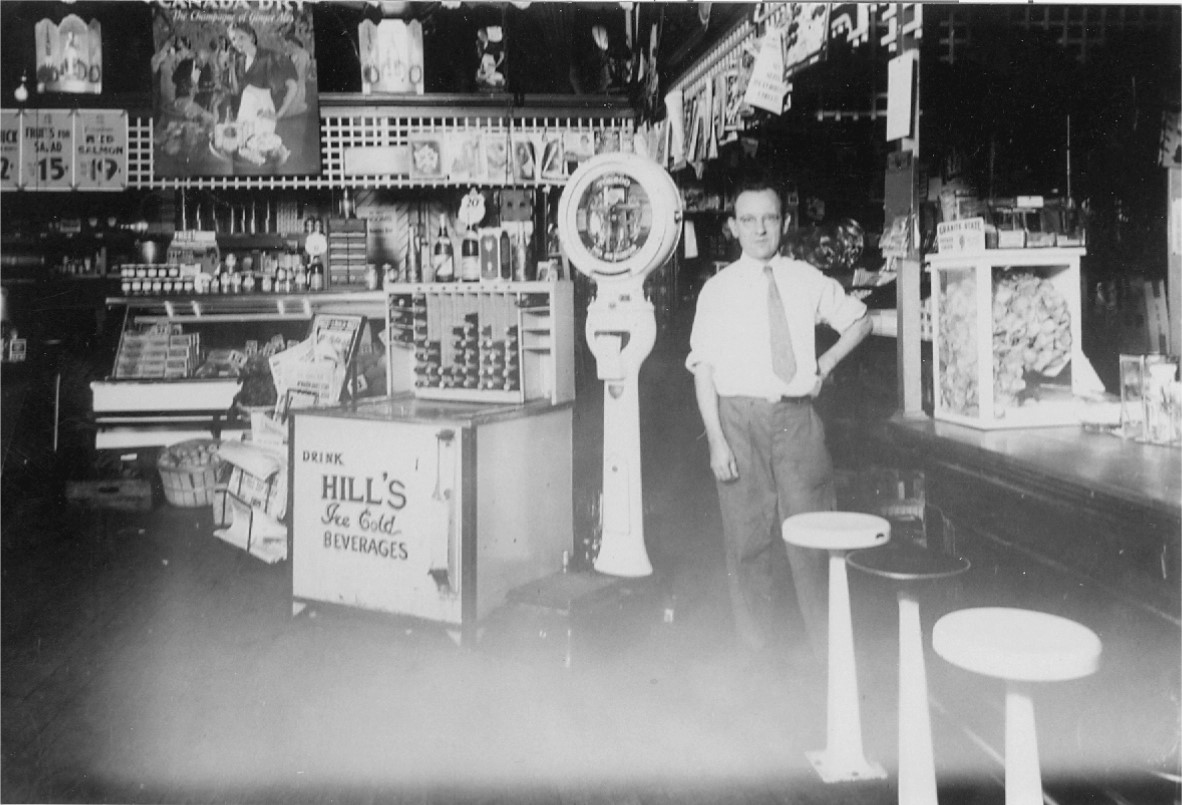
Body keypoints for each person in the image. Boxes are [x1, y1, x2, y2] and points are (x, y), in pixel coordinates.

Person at [685, 174, 872, 665]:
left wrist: (825, 365)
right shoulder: (718, 290)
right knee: (747, 542)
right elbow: (704, 370)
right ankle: (756, 658)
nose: (759, 229)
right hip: (738, 422)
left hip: (796, 421)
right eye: (748, 220)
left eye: (769, 218)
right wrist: (716, 441)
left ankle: (831, 659)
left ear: (784, 222)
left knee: (815, 539)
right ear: (733, 226)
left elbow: (861, 321)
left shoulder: (805, 278)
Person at [227, 21, 299, 130]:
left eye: (241, 37)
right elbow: (235, 91)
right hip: (245, 112)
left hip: (264, 112)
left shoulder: (272, 57)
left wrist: (279, 114)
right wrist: (231, 68)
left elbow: (293, 86)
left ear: (251, 37)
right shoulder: (239, 62)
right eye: (233, 39)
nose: (237, 42)